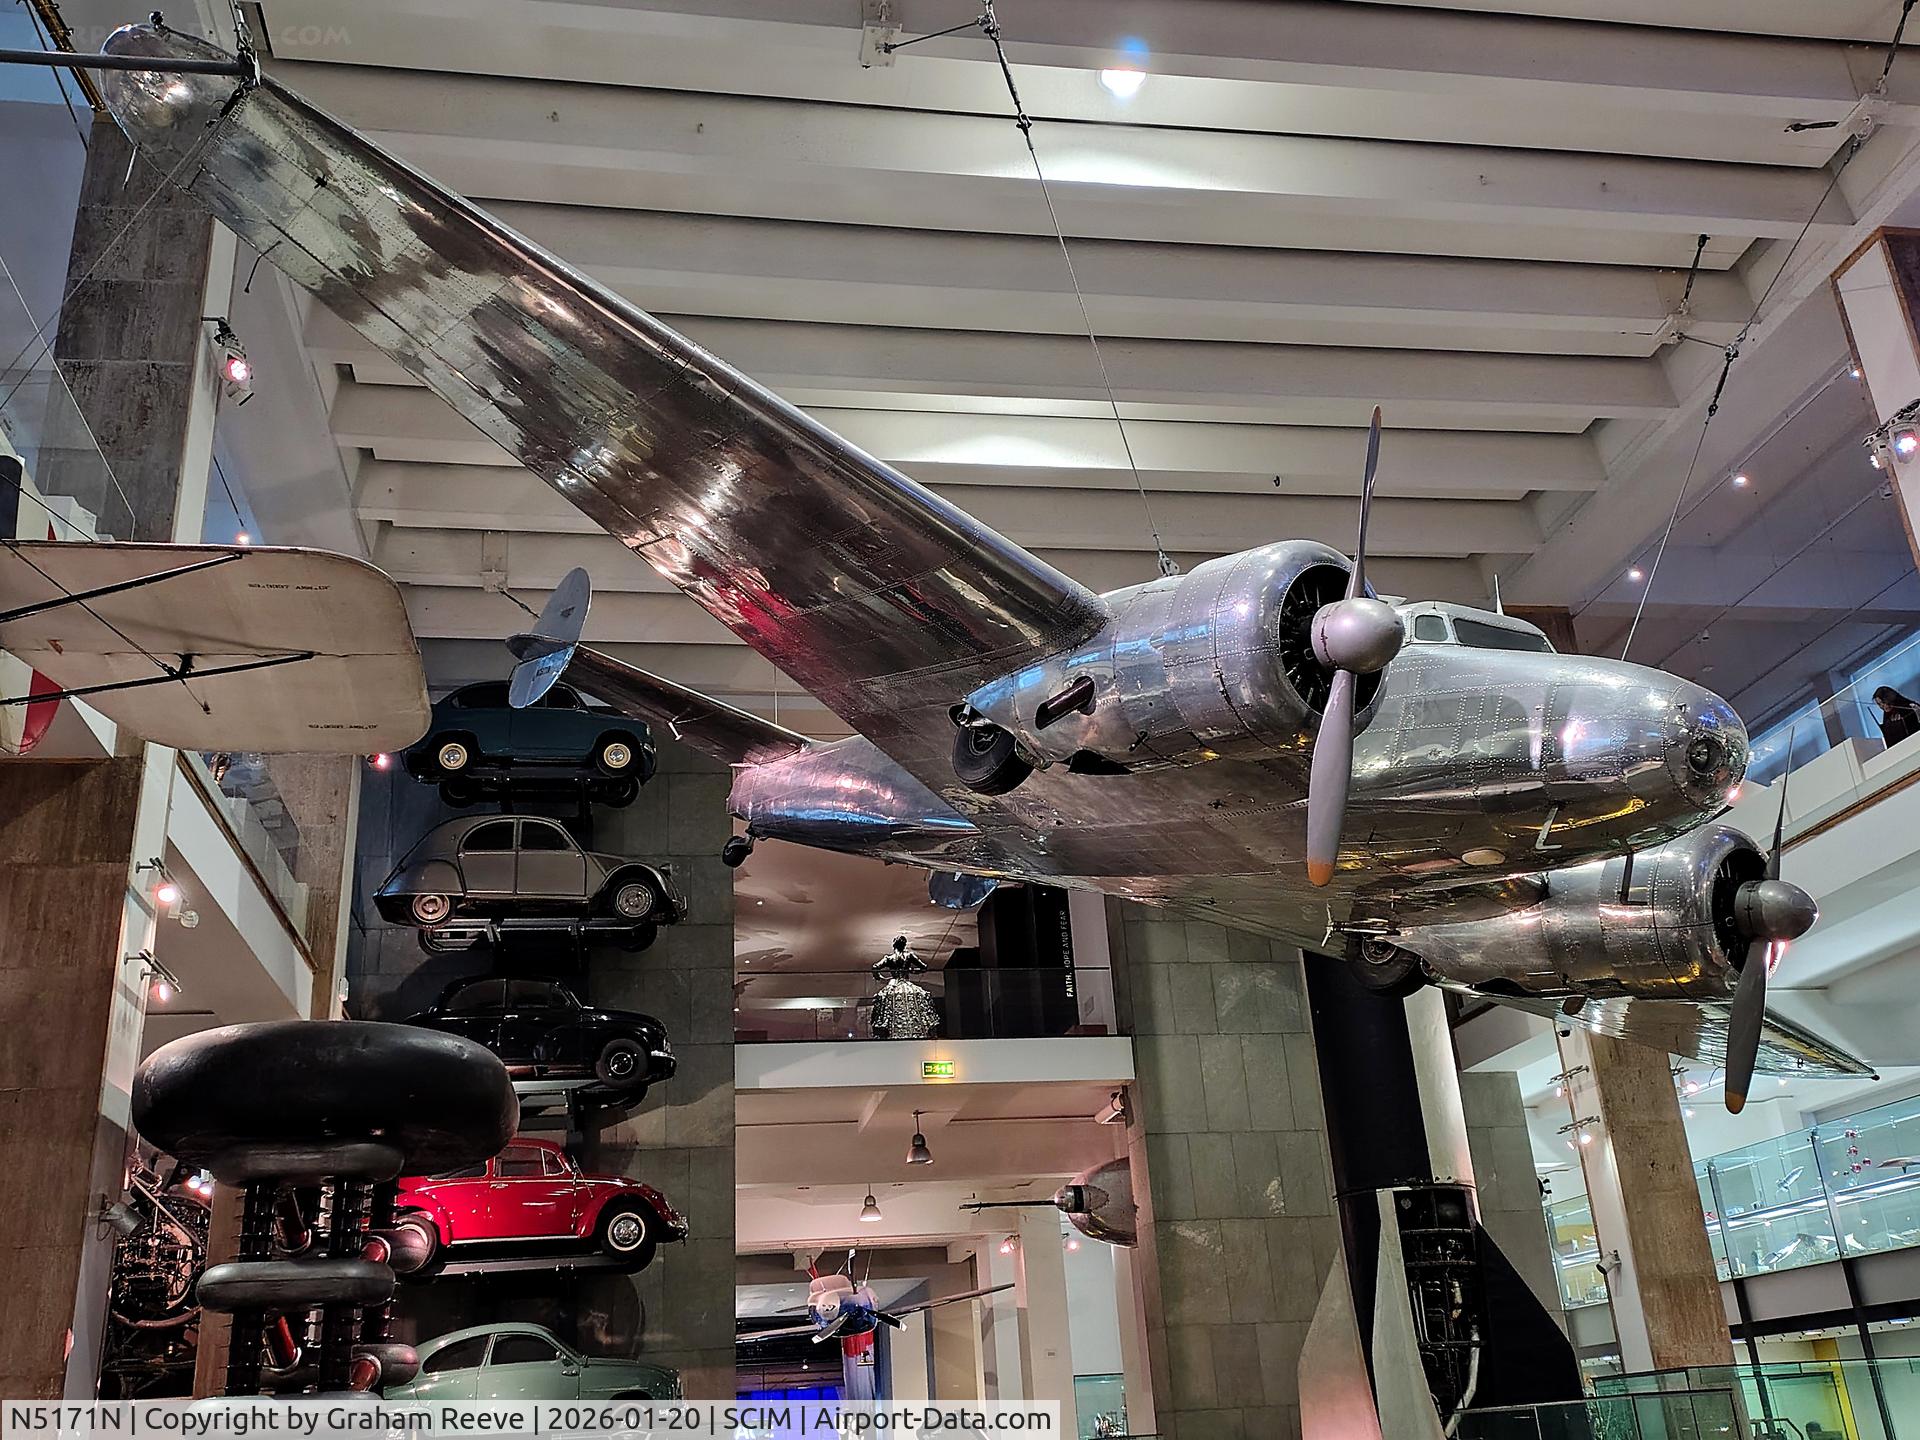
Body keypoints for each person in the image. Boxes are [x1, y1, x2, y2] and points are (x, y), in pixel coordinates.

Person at [869, 934, 938, 1040]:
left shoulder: (889, 958)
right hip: (906, 984)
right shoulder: (909, 956)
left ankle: (888, 1032)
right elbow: (924, 967)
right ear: (904, 946)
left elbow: (875, 968)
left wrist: (880, 978)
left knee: (884, 1002)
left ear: (894, 946)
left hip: (893, 984)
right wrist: (912, 971)